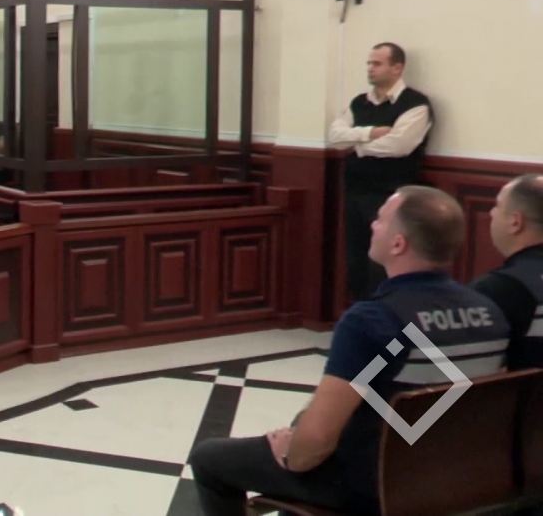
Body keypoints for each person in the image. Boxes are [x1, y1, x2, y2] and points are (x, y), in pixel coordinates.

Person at [189, 186, 510, 515]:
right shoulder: (490, 313)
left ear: (398, 243)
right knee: (304, 423)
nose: (372, 225)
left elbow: (317, 441)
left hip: (374, 486)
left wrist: (289, 454)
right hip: (457, 478)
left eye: (381, 220)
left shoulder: (374, 320)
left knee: (209, 458)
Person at [328, 42, 433, 302]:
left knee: (385, 264)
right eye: (369, 63)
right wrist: (371, 133)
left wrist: (357, 144)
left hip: (391, 195)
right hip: (355, 192)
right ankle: (363, 317)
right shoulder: (359, 102)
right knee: (357, 260)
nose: (370, 68)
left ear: (397, 68)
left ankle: (390, 324)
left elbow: (398, 146)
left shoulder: (415, 104)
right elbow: (335, 137)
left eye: (377, 63)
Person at [472, 174, 543, 370]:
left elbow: (463, 370)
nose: (492, 213)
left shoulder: (496, 289)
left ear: (515, 222)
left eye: (498, 205)